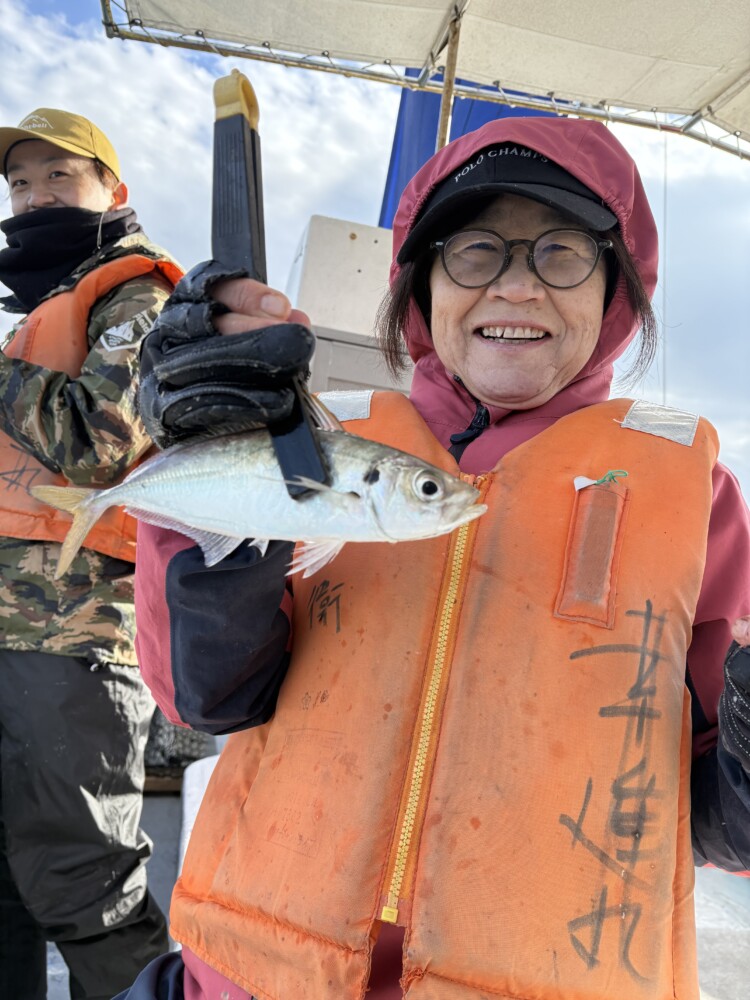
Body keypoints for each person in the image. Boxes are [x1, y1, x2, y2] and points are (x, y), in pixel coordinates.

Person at [122, 117, 750, 1000]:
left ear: (617, 288)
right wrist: (219, 463)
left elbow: (718, 817)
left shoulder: (698, 494)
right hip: (254, 978)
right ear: (422, 286)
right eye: (476, 252)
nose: (518, 289)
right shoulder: (305, 444)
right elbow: (207, 695)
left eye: (562, 252)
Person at [0, 108, 183, 999]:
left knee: (88, 889)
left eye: (59, 178)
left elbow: (102, 441)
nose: (35, 198)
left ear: (114, 190)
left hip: (74, 642)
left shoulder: (138, 299)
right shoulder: (36, 313)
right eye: (20, 183)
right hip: (13, 642)